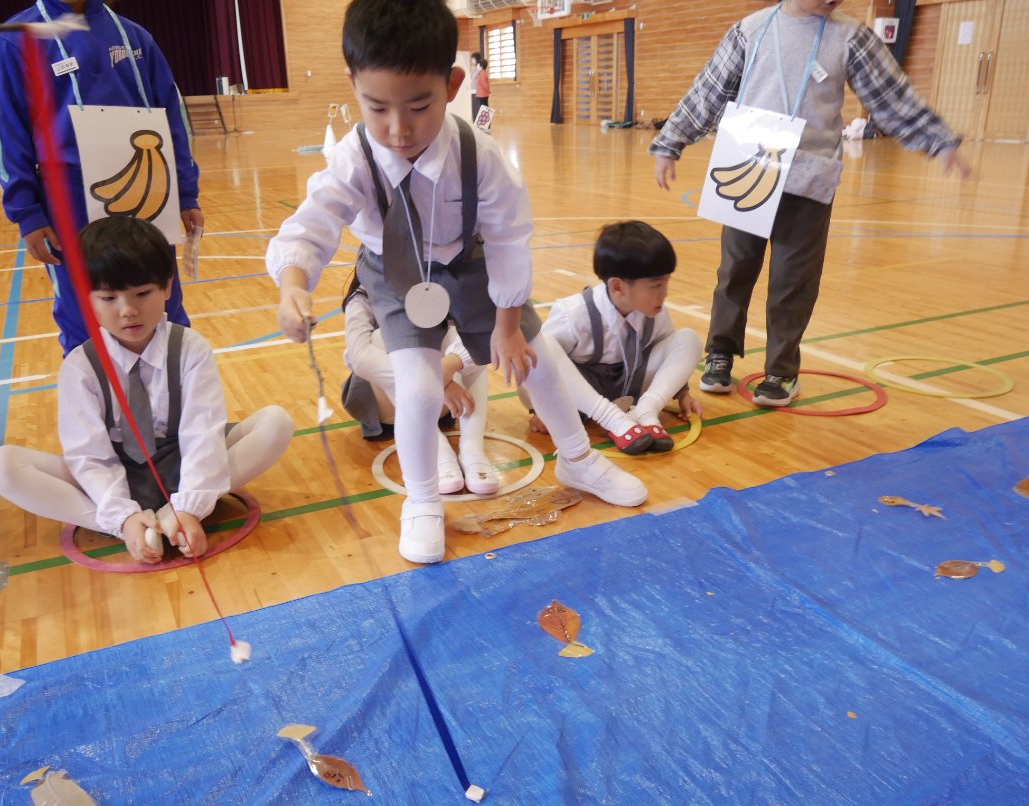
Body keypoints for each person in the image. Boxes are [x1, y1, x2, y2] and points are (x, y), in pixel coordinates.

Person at [268, 0, 646, 565]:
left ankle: (577, 456)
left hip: (469, 262)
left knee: (534, 360)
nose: (398, 130)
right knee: (418, 390)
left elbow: (510, 237)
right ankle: (421, 499)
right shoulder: (353, 158)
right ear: (354, 86)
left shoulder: (480, 154)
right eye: (377, 108)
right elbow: (312, 223)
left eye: (419, 107)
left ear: (451, 85)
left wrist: (510, 328)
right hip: (394, 271)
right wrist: (293, 284)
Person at [652, 0, 971, 407]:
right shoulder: (750, 31)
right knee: (735, 270)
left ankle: (781, 371)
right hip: (749, 169)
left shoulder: (850, 37)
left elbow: (892, 96)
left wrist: (938, 140)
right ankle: (720, 354)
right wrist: (669, 142)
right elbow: (708, 92)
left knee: (793, 280)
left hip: (809, 177)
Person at [0, 217, 293, 564]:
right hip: (117, 472)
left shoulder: (190, 349)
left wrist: (190, 506)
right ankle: (129, 524)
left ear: (166, 287)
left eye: (142, 293)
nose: (128, 310)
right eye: (108, 297)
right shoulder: (80, 367)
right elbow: (90, 456)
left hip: (179, 464)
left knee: (276, 423)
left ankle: (173, 514)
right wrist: (122, 516)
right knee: (4, 465)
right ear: (88, 299)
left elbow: (201, 436)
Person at [0, 0, 204, 355]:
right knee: (84, 312)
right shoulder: (14, 40)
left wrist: (186, 192)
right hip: (67, 201)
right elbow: (5, 131)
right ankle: (99, 408)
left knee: (161, 303)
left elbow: (172, 116)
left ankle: (178, 401)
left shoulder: (136, 37)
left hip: (148, 186)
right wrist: (27, 212)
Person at [525, 221, 702, 454]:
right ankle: (612, 419)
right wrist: (543, 409)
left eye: (667, 281)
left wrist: (681, 391)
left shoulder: (655, 312)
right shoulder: (575, 314)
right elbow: (541, 365)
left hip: (630, 388)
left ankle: (646, 410)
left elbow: (668, 351)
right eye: (656, 285)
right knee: (543, 345)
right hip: (580, 395)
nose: (664, 293)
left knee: (689, 339)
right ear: (618, 286)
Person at [341, 275, 500, 494]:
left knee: (465, 339)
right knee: (383, 339)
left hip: (441, 402)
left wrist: (451, 365)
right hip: (389, 405)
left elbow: (485, 336)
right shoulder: (363, 294)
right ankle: (436, 450)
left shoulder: (438, 276)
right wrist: (436, 380)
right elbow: (360, 358)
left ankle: (472, 448)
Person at [472, 52, 490, 122]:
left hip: (482, 94)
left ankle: (485, 125)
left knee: (484, 109)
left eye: (479, 65)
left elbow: (484, 84)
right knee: (484, 109)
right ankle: (485, 125)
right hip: (482, 94)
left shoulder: (482, 73)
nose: (478, 66)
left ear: (481, 66)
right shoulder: (483, 72)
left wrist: (488, 91)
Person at [468, 51, 484, 121]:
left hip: (478, 91)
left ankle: (480, 124)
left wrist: (477, 69)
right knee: (474, 109)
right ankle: (475, 123)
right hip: (473, 91)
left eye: (473, 59)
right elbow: (471, 77)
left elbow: (474, 77)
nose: (472, 60)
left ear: (476, 59)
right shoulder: (474, 67)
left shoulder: (480, 68)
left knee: (478, 108)